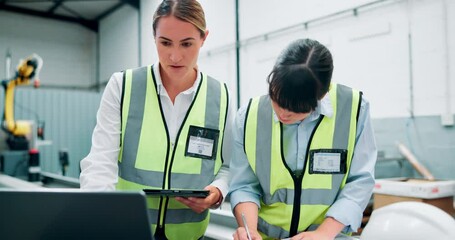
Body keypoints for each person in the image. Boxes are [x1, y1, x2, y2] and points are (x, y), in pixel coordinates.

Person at [79, 1, 233, 239]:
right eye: (165, 42)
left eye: (187, 44)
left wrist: (218, 191)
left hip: (189, 234)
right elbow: (100, 163)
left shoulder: (220, 96)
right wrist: (100, 219)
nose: (175, 55)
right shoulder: (123, 87)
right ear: (154, 37)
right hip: (127, 230)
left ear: (204, 39)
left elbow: (229, 165)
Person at [229, 38, 377, 240]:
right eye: (276, 99)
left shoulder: (354, 110)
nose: (282, 113)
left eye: (295, 109)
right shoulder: (248, 116)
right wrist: (249, 230)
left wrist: (323, 233)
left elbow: (360, 182)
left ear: (321, 96)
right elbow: (244, 185)